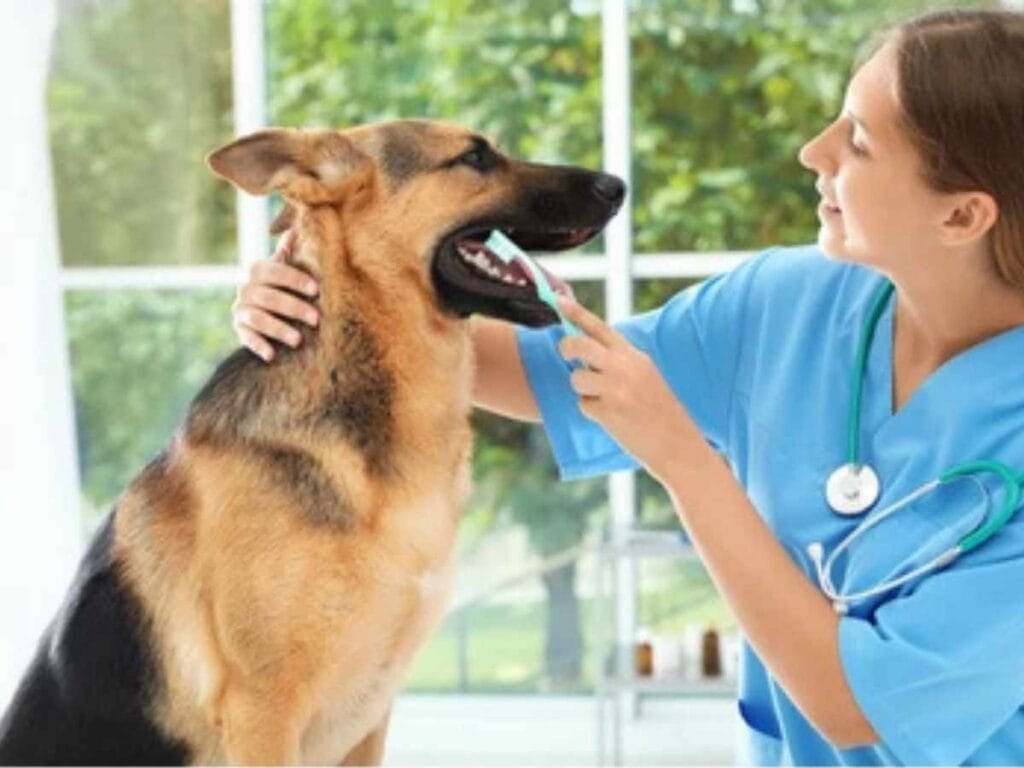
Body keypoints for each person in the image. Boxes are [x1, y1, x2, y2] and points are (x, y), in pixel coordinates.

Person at [230, 9, 1024, 765]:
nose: (813, 153)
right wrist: (328, 295)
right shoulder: (792, 303)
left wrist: (682, 459)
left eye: (857, 141)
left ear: (962, 216)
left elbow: (853, 705)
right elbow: (544, 373)